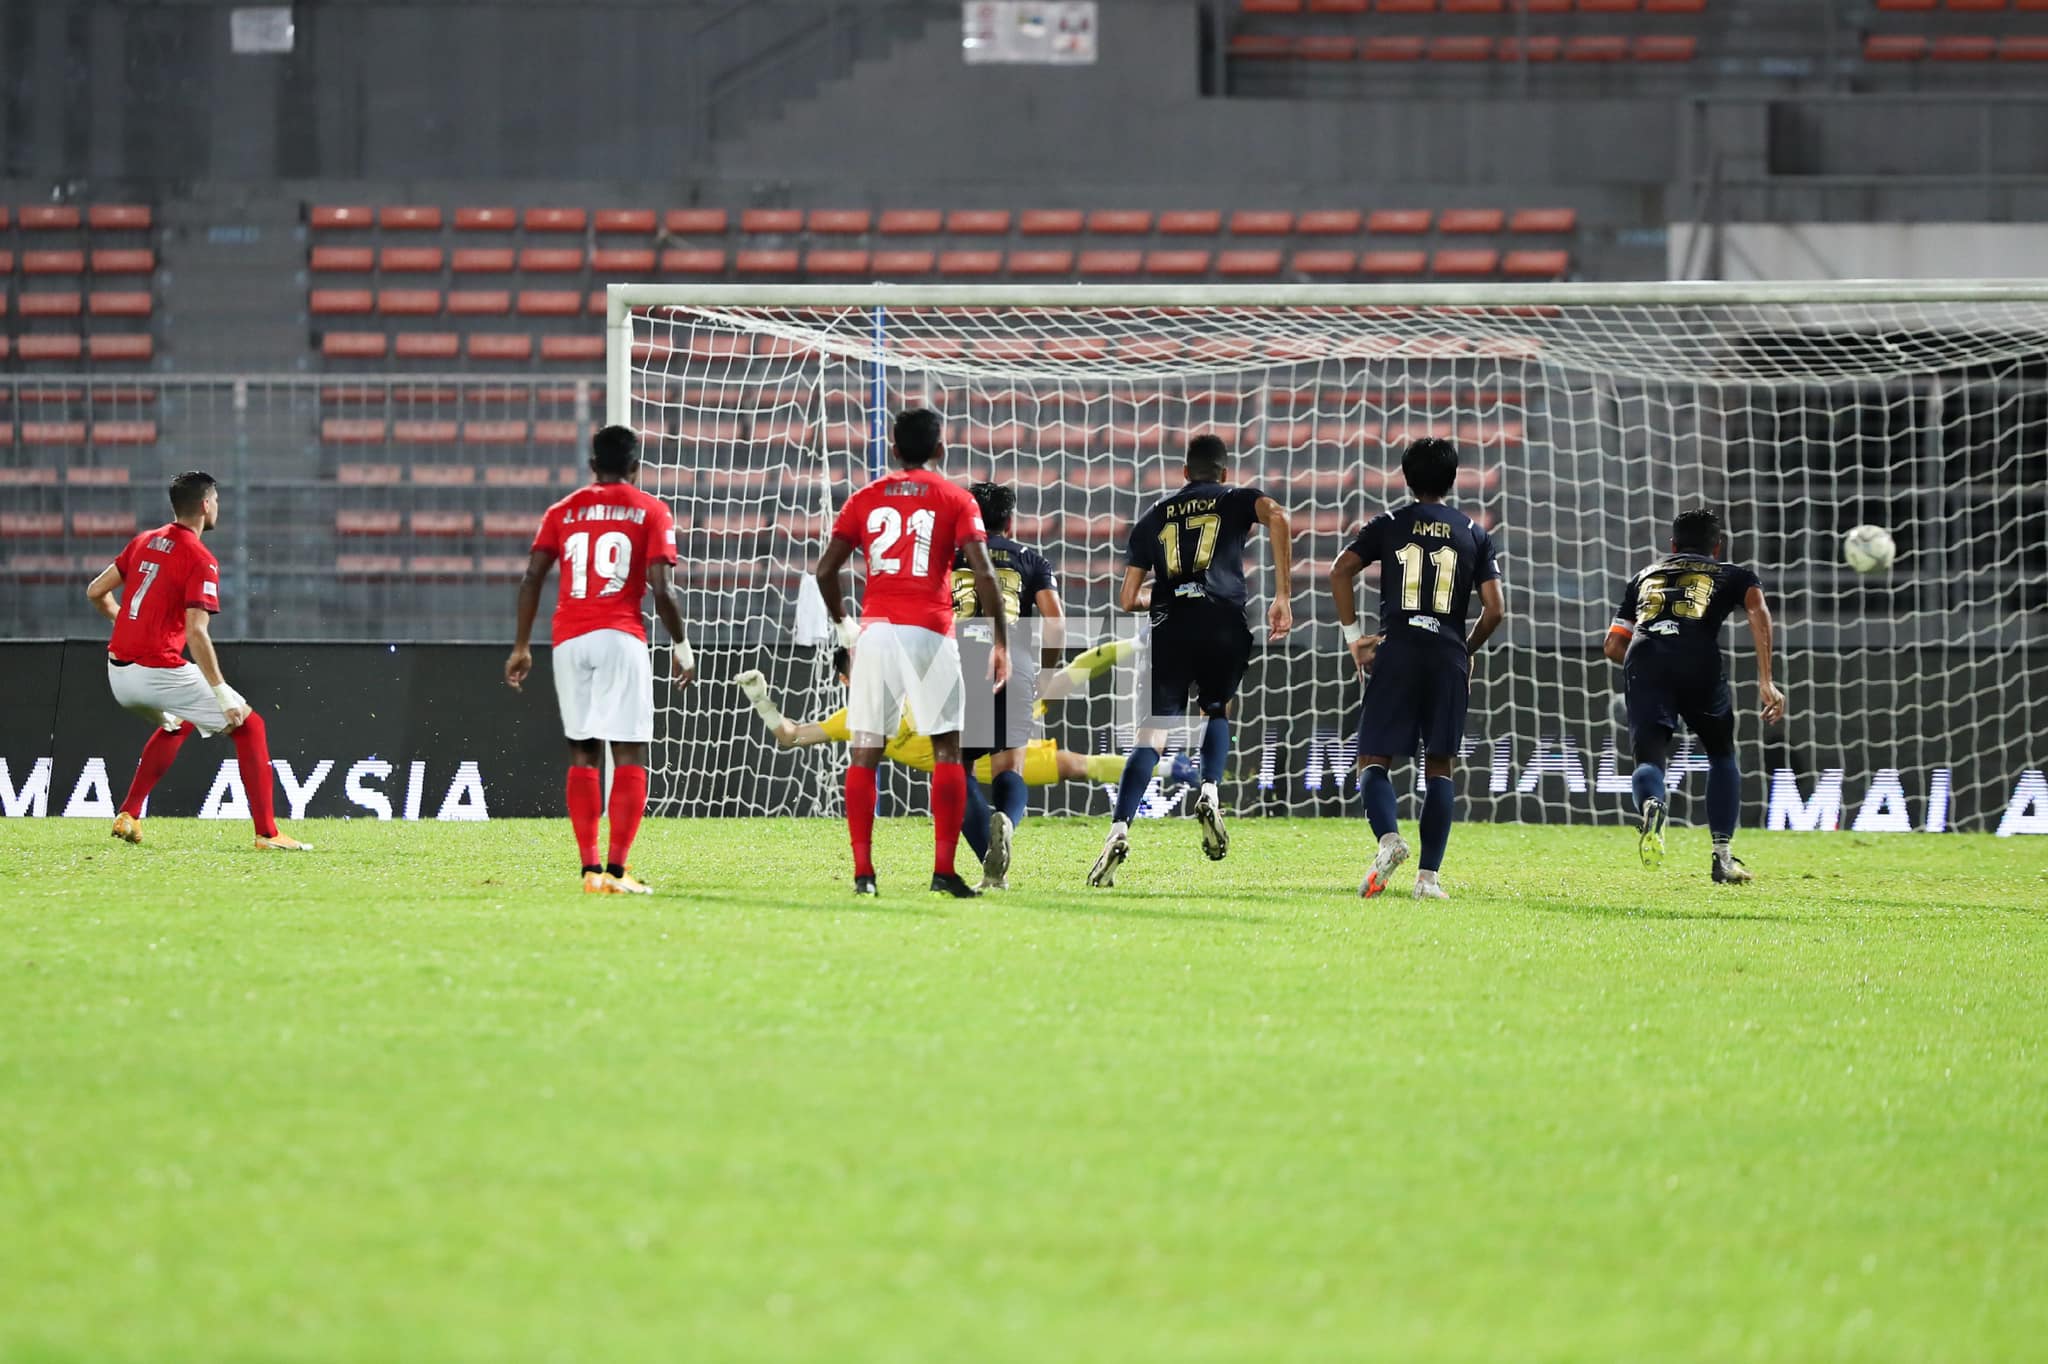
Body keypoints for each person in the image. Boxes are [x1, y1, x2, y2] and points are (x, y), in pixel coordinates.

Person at [813, 409, 1009, 898]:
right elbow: (983, 572)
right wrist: (1000, 638)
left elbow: (825, 571)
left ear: (894, 450)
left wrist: (844, 626)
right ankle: (943, 871)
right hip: (931, 630)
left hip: (875, 632)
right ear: (939, 450)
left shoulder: (864, 498)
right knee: (947, 748)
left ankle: (864, 875)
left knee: (865, 751)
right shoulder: (956, 499)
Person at [1088, 434, 1293, 888]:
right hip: (1222, 620)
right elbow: (1278, 515)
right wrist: (1282, 594)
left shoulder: (1154, 514)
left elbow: (1126, 598)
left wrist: (1163, 594)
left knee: (1153, 732)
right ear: (1223, 471)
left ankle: (1119, 828)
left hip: (1171, 625)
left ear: (1184, 473)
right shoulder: (1236, 497)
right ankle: (1210, 790)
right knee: (1217, 708)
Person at [506, 424, 695, 895]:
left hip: (570, 638)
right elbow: (662, 590)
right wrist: (681, 644)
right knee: (628, 749)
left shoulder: (562, 510)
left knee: (583, 750)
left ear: (592, 465)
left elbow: (531, 578)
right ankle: (616, 869)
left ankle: (589, 869)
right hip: (620, 635)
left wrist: (522, 645)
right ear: (636, 466)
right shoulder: (651, 510)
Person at [86, 471, 311, 851]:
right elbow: (196, 633)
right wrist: (222, 693)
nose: (218, 507)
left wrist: (127, 623)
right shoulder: (200, 558)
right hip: (153, 671)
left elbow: (96, 591)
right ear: (206, 505)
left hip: (117, 673)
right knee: (250, 726)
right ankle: (268, 835)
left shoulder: (144, 540)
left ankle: (129, 812)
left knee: (180, 723)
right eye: (217, 501)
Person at [1329, 436, 1505, 901]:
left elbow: (1339, 571)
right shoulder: (1473, 531)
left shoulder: (1389, 523)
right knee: (1440, 766)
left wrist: (1353, 639)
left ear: (1406, 478)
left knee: (1373, 759)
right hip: (1446, 654)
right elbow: (1494, 611)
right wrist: (1465, 649)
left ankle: (1389, 841)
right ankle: (1428, 879)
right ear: (1452, 478)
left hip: (1398, 647)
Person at [734, 641, 1186, 817]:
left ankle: (1139, 642)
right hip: (975, 769)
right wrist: (763, 702)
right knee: (1072, 766)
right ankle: (1169, 773)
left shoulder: (911, 681)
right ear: (846, 680)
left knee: (1058, 681)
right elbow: (791, 736)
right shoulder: (854, 718)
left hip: (983, 724)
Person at [1603, 507, 1786, 883]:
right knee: (1721, 754)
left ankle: (1653, 803)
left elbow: (1612, 644)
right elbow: (1758, 609)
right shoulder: (1734, 574)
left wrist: (1648, 672)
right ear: (1716, 547)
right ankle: (1722, 857)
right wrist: (1766, 679)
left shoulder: (1644, 575)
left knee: (1649, 757)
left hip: (1645, 654)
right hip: (1697, 657)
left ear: (1672, 545)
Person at [953, 481, 1061, 889]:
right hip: (1014, 667)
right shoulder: (1031, 559)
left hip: (961, 665)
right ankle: (1006, 824)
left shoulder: (949, 556)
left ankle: (990, 863)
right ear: (1010, 521)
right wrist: (1047, 672)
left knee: (955, 770)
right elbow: (1056, 623)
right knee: (1009, 766)